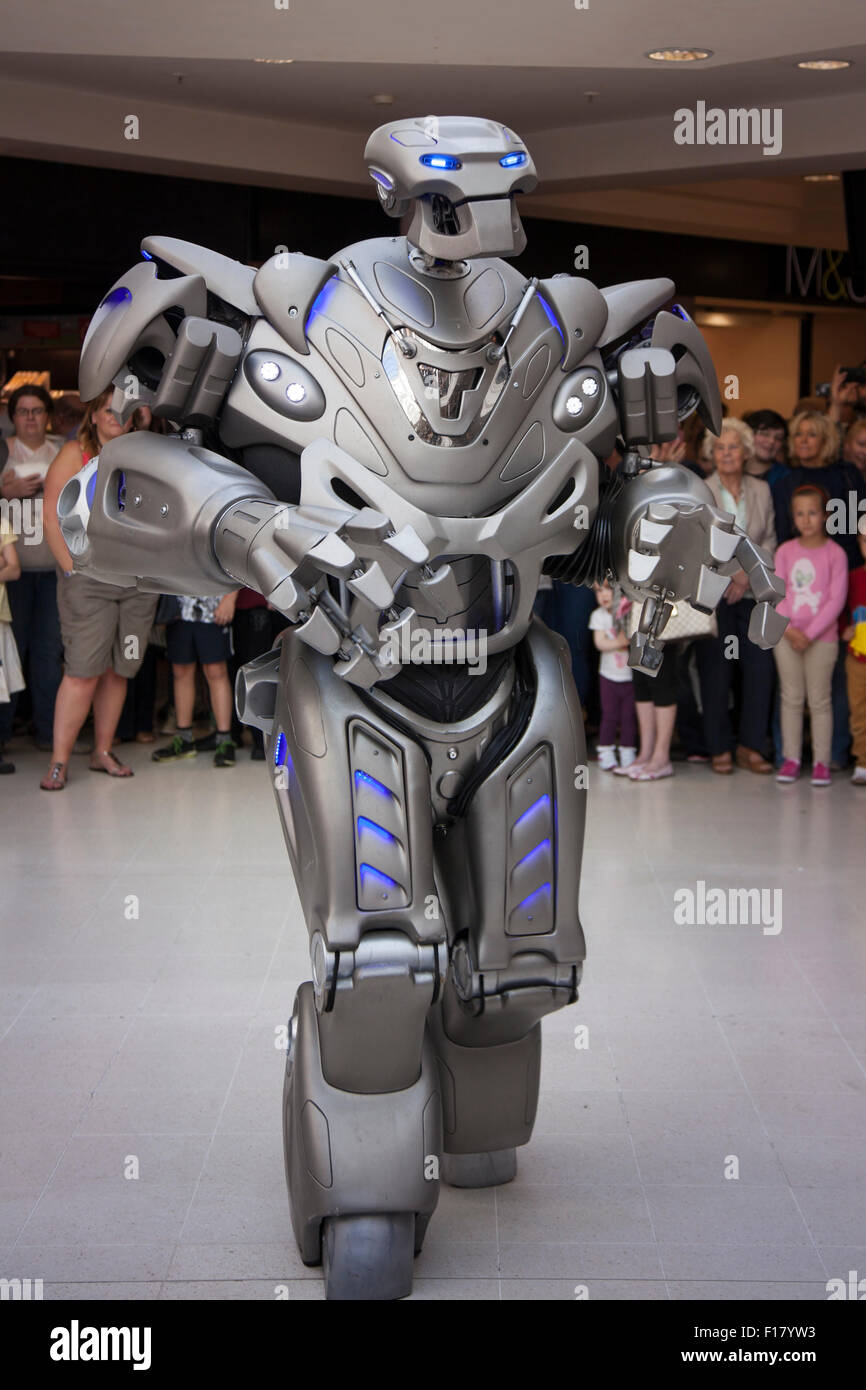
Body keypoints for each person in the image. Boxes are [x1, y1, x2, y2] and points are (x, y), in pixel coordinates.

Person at [39, 390, 159, 790]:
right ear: (92, 416)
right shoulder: (75, 454)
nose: (114, 416)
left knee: (120, 669)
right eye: (107, 409)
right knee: (83, 671)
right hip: (89, 580)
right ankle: (59, 761)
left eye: (123, 411)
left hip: (137, 581)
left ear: (134, 418)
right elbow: (53, 516)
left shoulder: (144, 453)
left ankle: (102, 751)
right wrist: (71, 569)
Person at [697, 418, 777, 774]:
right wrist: (733, 574)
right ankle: (719, 748)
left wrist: (748, 577)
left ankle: (751, 746)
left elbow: (771, 540)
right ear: (711, 454)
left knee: (760, 670)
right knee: (717, 671)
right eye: (719, 448)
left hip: (755, 595)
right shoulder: (701, 488)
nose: (726, 453)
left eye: (732, 447)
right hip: (717, 595)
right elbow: (699, 543)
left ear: (745, 452)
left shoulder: (763, 489)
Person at [0, 384, 64, 750]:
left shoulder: (60, 452)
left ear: (47, 415)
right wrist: (5, 493)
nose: (30, 418)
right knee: (10, 652)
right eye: (22, 411)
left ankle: (49, 733)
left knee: (47, 653)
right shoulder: (3, 452)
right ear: (12, 417)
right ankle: (4, 733)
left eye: (37, 410)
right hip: (11, 571)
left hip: (52, 570)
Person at [773, 485, 848, 786]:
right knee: (791, 697)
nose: (806, 519)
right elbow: (777, 594)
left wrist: (811, 633)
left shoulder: (836, 554)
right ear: (793, 518)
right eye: (800, 513)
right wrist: (791, 631)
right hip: (787, 637)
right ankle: (791, 758)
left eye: (813, 512)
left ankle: (821, 761)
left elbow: (836, 599)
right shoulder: (785, 552)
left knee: (820, 700)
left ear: (826, 515)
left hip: (823, 639)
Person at [151, 591, 240, 768]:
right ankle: (184, 738)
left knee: (216, 670)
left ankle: (224, 739)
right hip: (178, 606)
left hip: (214, 605)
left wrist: (230, 598)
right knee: (181, 670)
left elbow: (235, 564)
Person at [588, 581, 636, 770]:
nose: (604, 595)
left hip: (629, 677)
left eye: (608, 589)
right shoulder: (598, 616)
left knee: (628, 717)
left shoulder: (629, 613)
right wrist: (622, 641)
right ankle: (605, 750)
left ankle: (628, 752)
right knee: (609, 716)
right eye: (598, 591)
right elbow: (600, 644)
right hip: (608, 677)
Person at [841, 516, 866, 785]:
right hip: (858, 657)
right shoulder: (855, 577)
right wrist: (843, 631)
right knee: (859, 709)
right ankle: (863, 760)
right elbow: (841, 611)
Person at [0, 516, 24, 774]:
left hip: (0, 618)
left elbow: (15, 569)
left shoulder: (2, 523)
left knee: (2, 685)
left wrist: (6, 562)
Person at [743, 409, 789, 488]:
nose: (771, 441)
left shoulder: (786, 478)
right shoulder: (732, 469)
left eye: (778, 438)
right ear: (748, 434)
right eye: (765, 434)